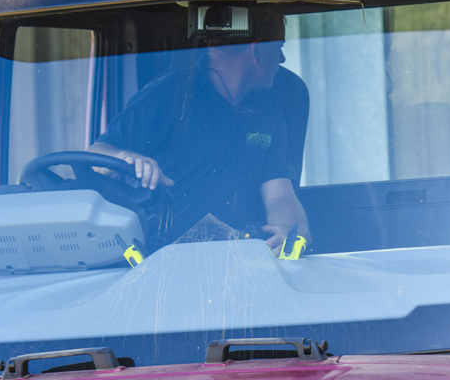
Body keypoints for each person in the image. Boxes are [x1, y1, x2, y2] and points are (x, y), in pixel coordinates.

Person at [91, 34, 311, 254]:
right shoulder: (168, 94)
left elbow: (280, 196)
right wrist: (126, 157)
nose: (281, 58)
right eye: (278, 48)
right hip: (160, 262)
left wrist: (293, 231)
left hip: (237, 262)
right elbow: (96, 156)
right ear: (255, 51)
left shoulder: (268, 113)